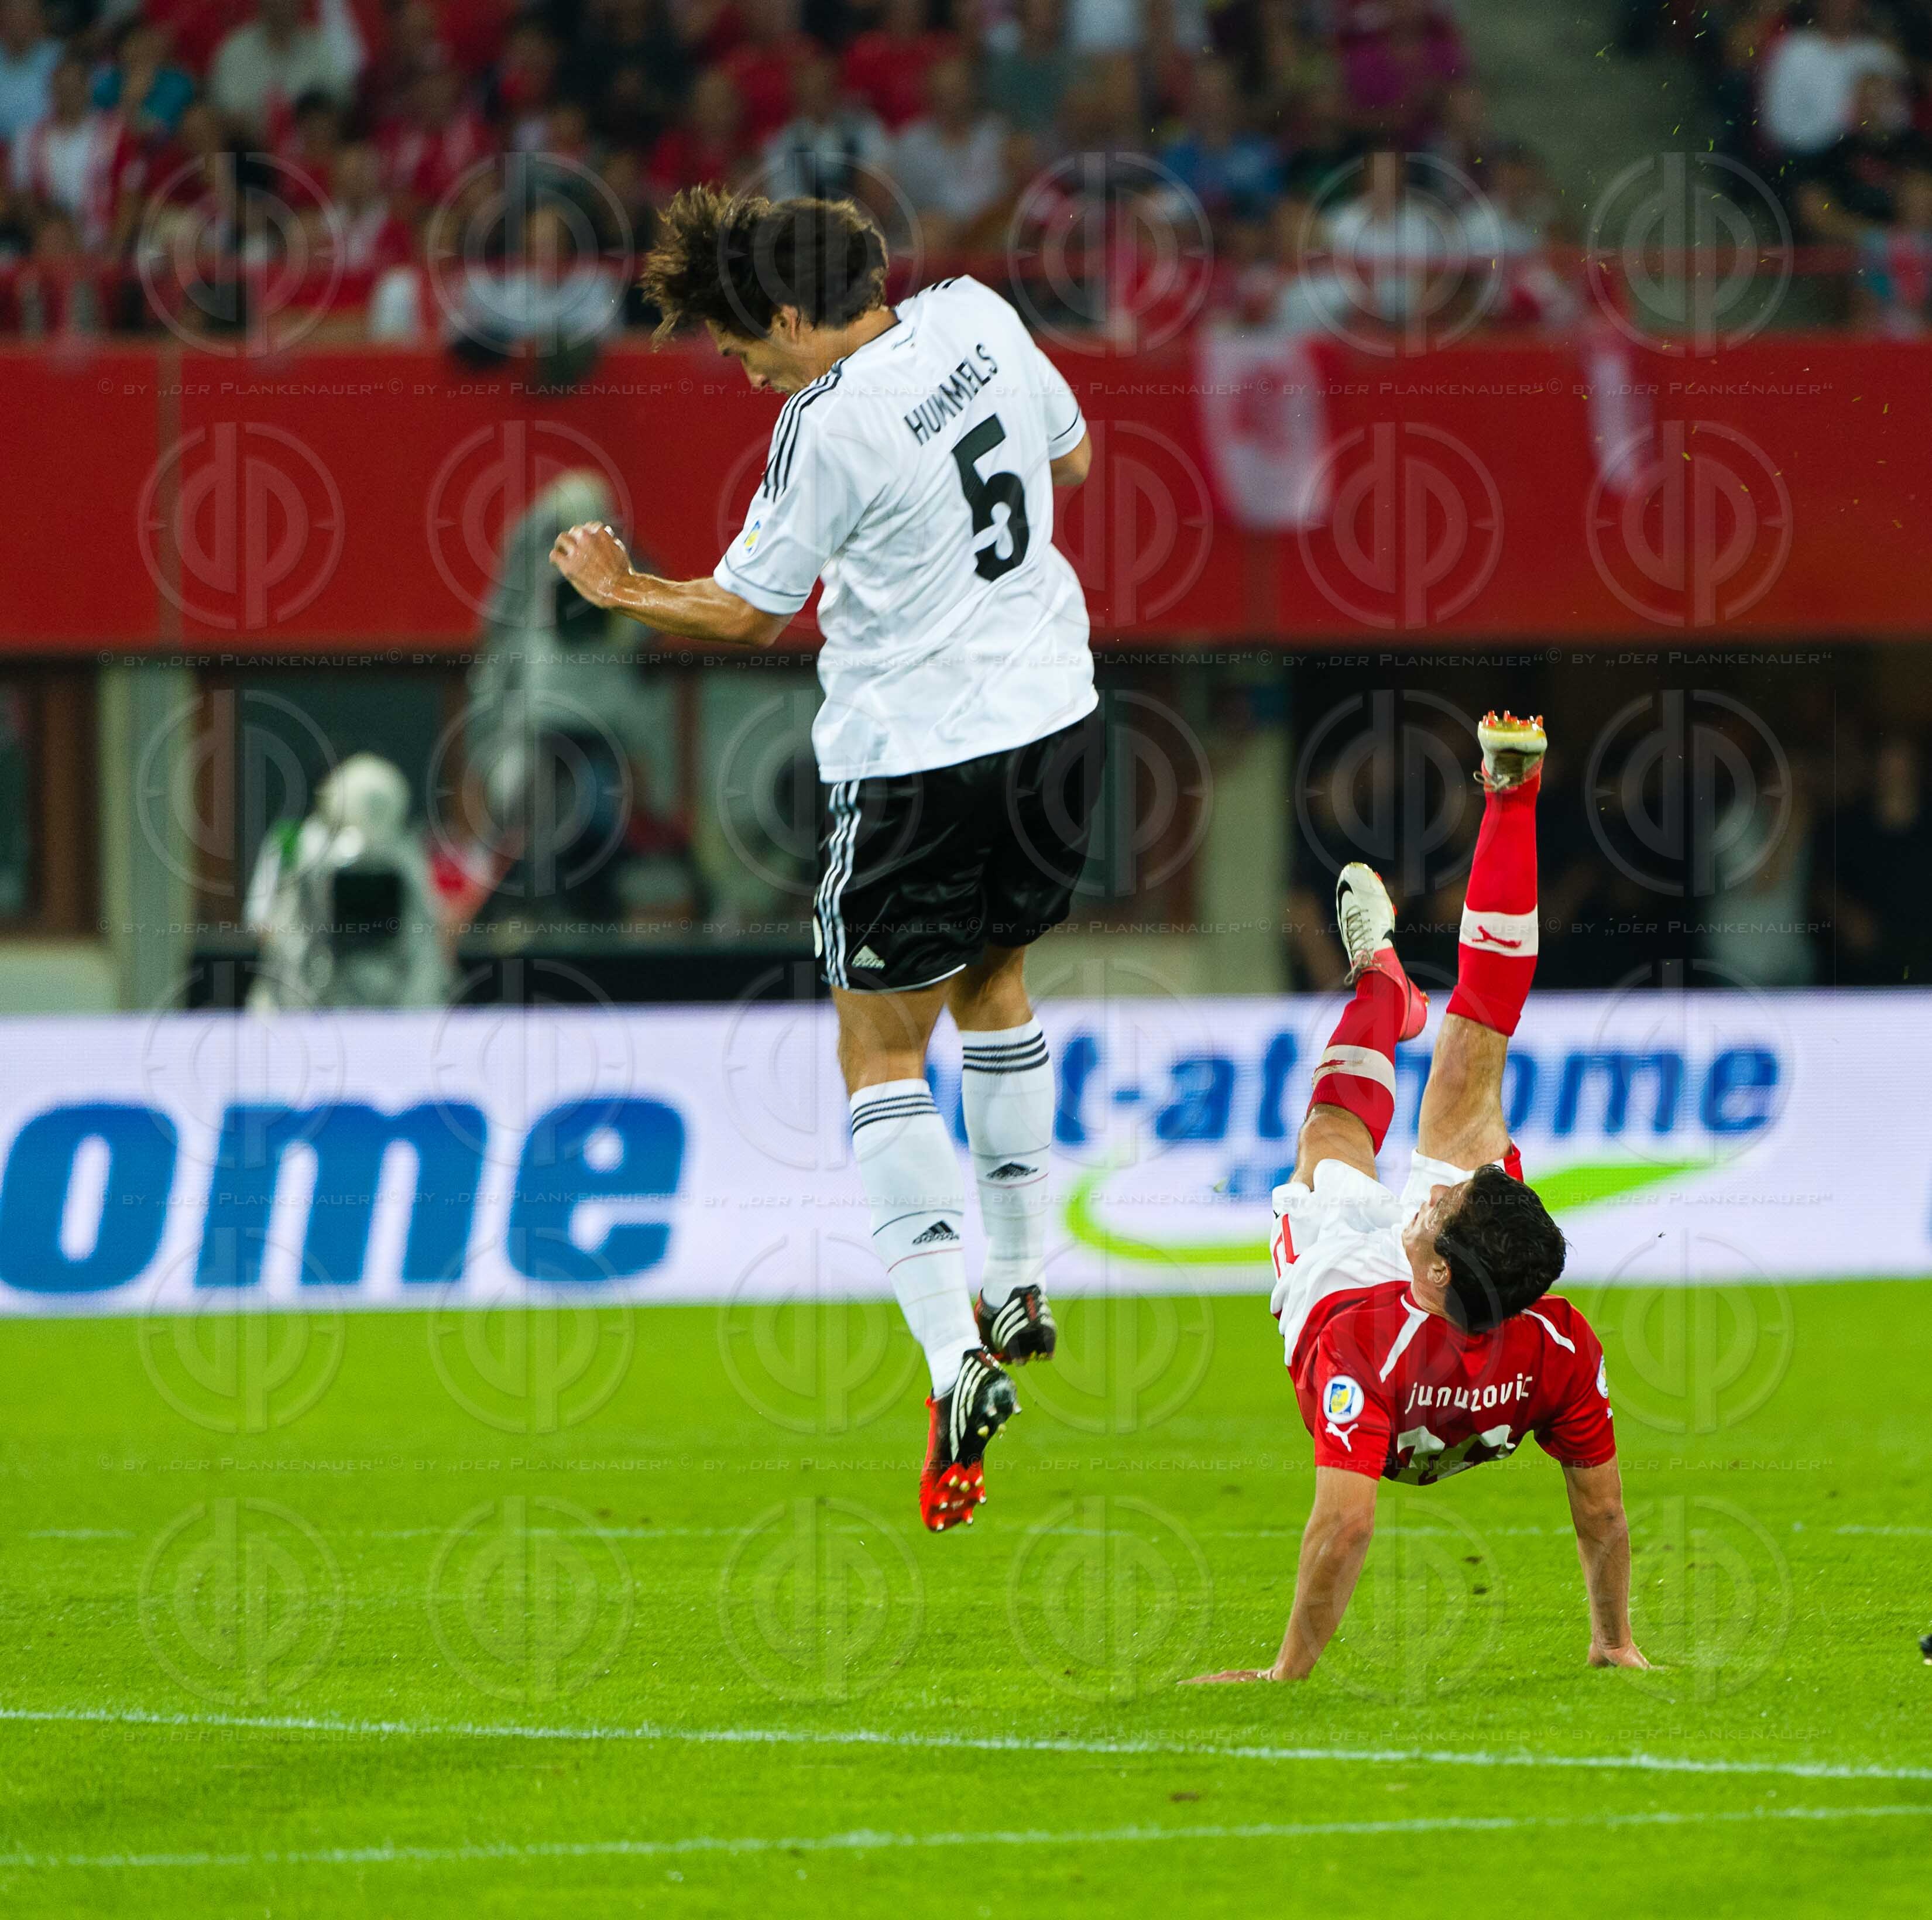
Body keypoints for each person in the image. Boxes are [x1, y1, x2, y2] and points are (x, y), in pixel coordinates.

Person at [549, 188, 1101, 1533]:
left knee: (877, 1051)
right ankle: (1021, 1276)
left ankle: (948, 1352)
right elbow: (1070, 464)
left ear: (795, 315)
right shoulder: (979, 313)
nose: (746, 372)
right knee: (998, 989)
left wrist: (622, 590)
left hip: (915, 760)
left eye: (749, 347)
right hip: (1056, 724)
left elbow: (745, 610)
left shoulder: (825, 422)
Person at [1189, 715, 1649, 1683]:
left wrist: (1285, 1675)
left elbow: (1346, 1522)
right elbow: (1600, 1507)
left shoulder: (1358, 1343)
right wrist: (1614, 1642)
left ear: (1432, 1265)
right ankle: (1509, 794)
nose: (1422, 1203)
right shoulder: (1555, 1339)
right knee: (1474, 1040)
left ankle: (1380, 992)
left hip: (1340, 1293)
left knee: (1329, 1134)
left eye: (1433, 1216)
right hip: (1473, 1320)